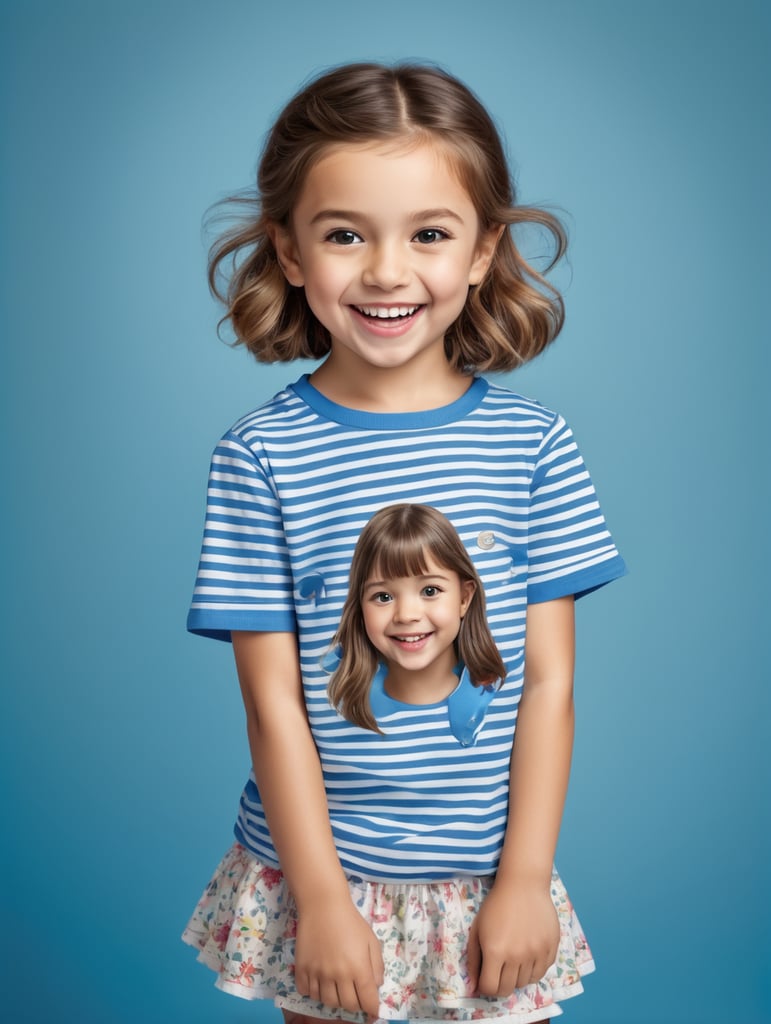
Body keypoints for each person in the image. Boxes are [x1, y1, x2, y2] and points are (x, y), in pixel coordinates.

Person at [182, 62, 626, 1024]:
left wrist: (524, 878)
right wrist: (324, 902)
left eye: (428, 234)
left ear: (481, 251)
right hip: (320, 874)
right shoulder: (259, 457)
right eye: (345, 235)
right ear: (291, 253)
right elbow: (273, 709)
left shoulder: (534, 447)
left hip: (490, 875)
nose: (386, 271)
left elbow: (547, 684)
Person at [326, 502, 507, 738]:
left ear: (464, 598)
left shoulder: (503, 698)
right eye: (383, 596)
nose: (406, 615)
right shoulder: (336, 708)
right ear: (360, 604)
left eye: (430, 591)